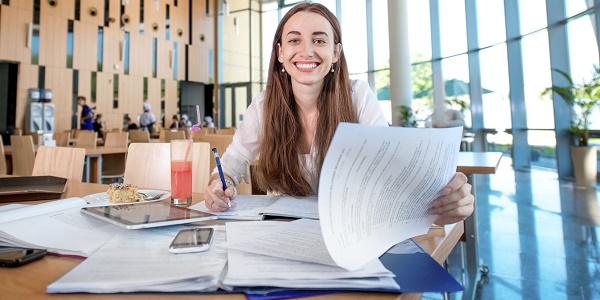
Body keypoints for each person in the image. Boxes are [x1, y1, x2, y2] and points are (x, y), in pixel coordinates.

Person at [203, 3, 473, 226]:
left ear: (335, 52)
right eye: (294, 40)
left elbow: (394, 166)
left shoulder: (358, 97)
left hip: (352, 229)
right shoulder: (263, 106)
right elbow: (232, 162)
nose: (306, 50)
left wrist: (444, 200)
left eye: (319, 40)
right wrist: (217, 185)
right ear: (280, 53)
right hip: (282, 230)